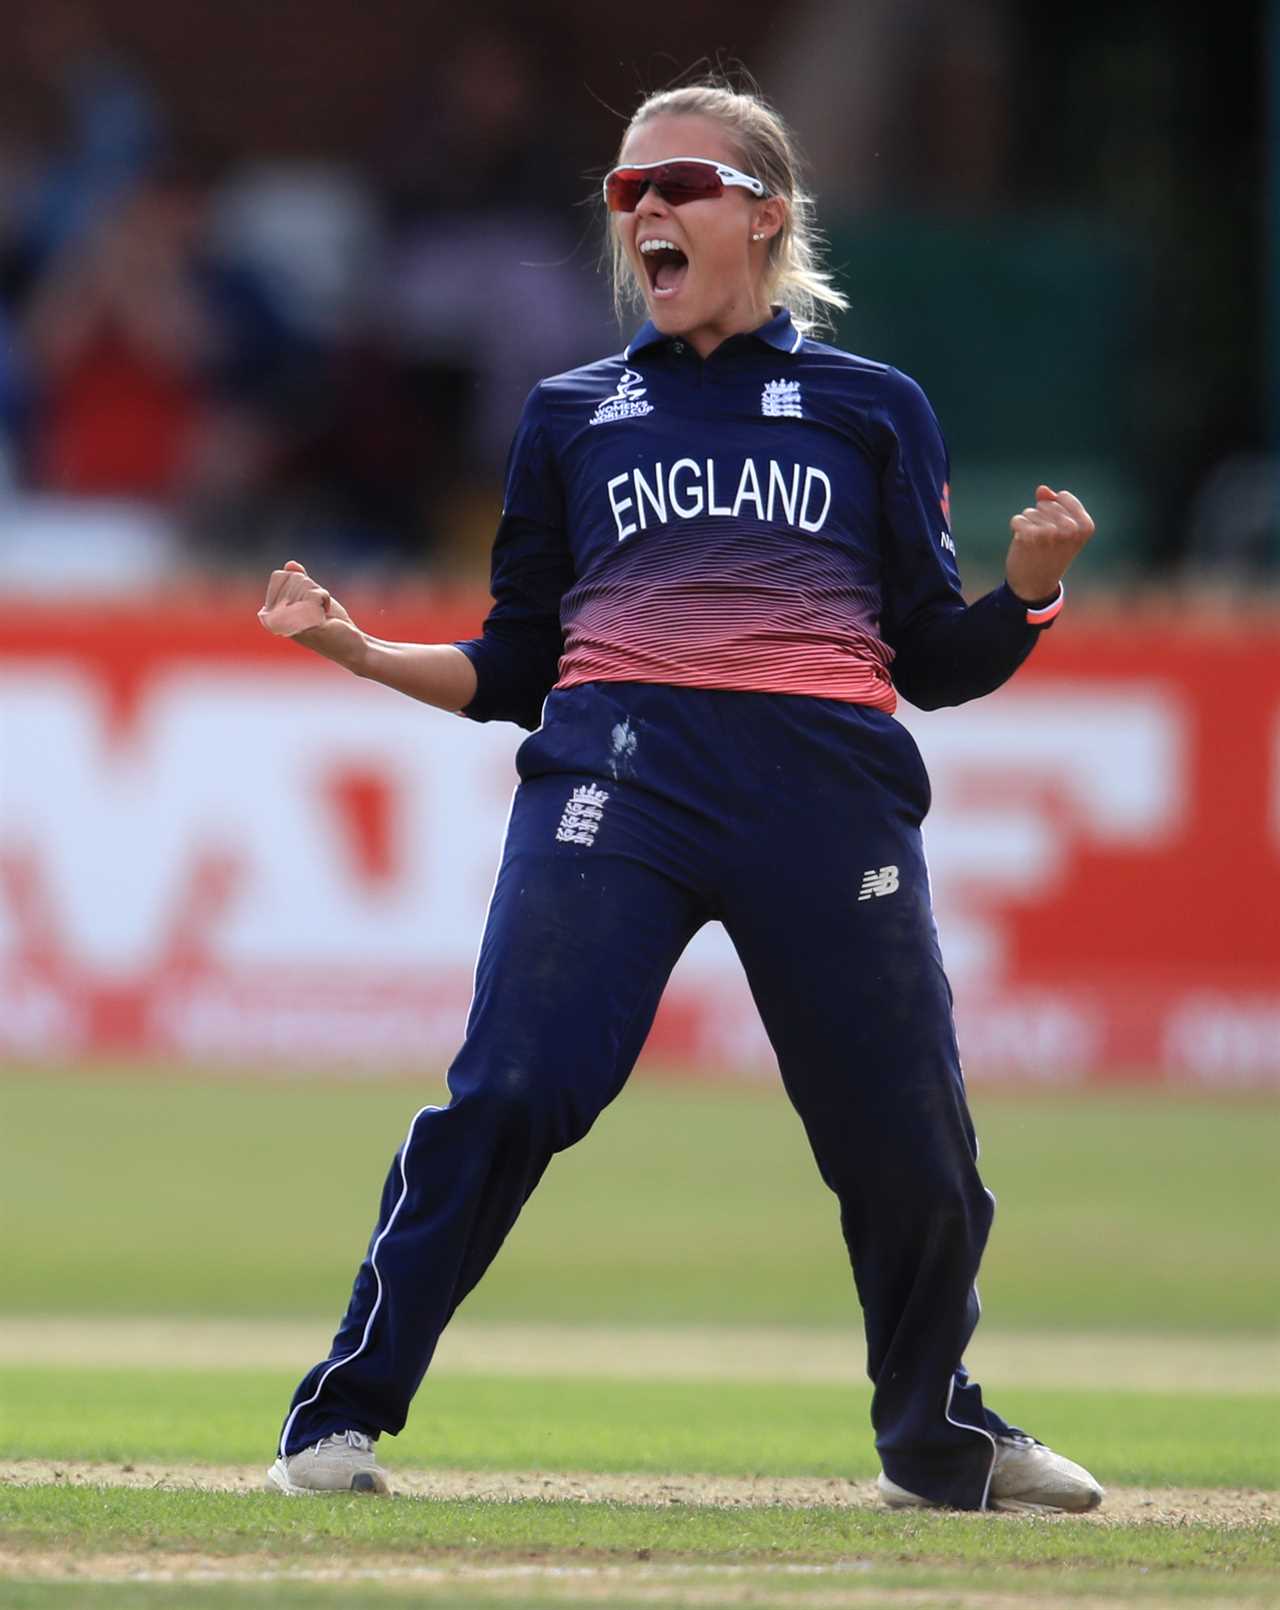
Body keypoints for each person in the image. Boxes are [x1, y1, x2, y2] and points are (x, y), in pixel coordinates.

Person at [257, 80, 1100, 1514]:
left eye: (682, 185)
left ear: (765, 215)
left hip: (825, 804)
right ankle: (337, 1419)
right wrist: (357, 649)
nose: (645, 209)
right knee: (515, 1085)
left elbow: (936, 663)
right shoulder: (572, 415)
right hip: (615, 791)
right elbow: (520, 659)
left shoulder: (871, 409)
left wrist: (1026, 597)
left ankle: (938, 1437)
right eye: (626, 192)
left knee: (911, 1145)